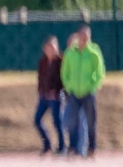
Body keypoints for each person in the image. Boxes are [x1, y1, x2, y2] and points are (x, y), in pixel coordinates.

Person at [61, 24, 105, 157]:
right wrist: (69, 87)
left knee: (91, 121)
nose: (85, 39)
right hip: (74, 92)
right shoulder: (70, 53)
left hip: (88, 92)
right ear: (78, 36)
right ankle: (73, 147)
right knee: (72, 120)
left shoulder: (93, 52)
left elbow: (99, 71)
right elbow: (65, 72)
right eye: (82, 36)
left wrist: (93, 85)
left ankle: (92, 148)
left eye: (87, 37)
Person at [35, 36, 66, 156]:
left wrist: (56, 91)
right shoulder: (42, 62)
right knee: (37, 119)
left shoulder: (60, 61)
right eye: (49, 47)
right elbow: (40, 77)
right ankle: (47, 144)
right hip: (44, 96)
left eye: (54, 47)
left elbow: (63, 79)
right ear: (45, 48)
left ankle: (62, 147)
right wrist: (41, 90)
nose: (52, 49)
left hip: (56, 96)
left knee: (57, 121)